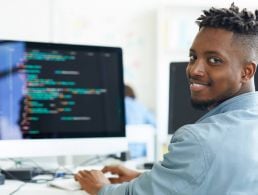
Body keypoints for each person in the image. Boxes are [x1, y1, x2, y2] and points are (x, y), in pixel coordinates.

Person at [74, 3, 258, 194]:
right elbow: (215, 179)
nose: (194, 70)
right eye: (193, 57)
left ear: (247, 72)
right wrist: (142, 176)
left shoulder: (200, 140)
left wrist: (100, 187)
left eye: (214, 60)